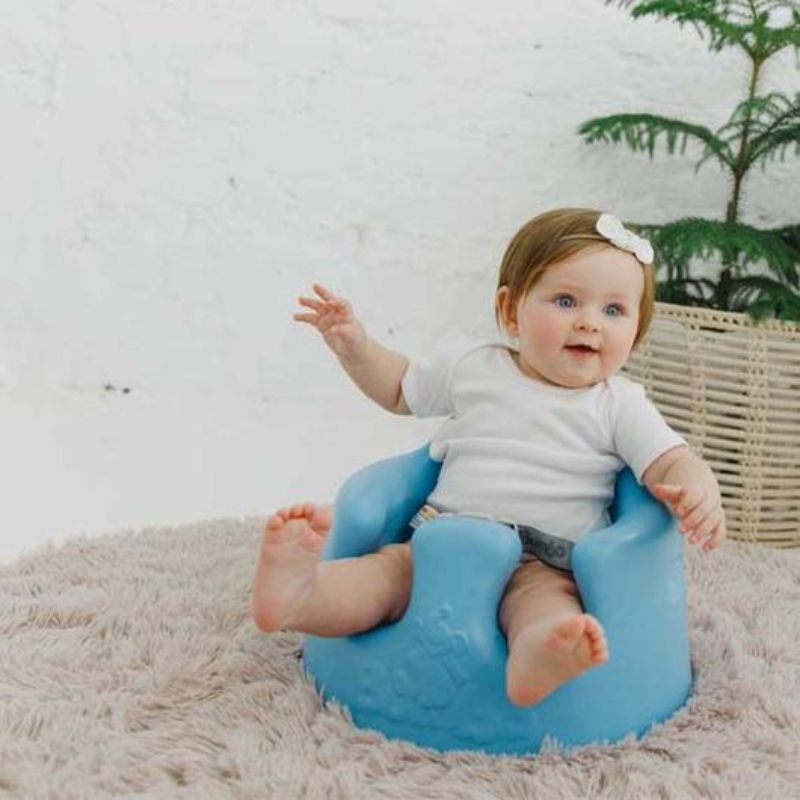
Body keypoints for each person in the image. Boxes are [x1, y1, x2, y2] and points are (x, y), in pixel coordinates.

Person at [252, 208, 727, 707]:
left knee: (546, 608)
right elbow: (397, 389)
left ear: (636, 330)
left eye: (614, 311)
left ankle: (539, 658)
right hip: (438, 536)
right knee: (383, 580)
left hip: (545, 559)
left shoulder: (619, 404)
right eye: (566, 301)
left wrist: (698, 490)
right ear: (511, 310)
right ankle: (302, 594)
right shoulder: (475, 366)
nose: (590, 322)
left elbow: (671, 460)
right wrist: (356, 347)